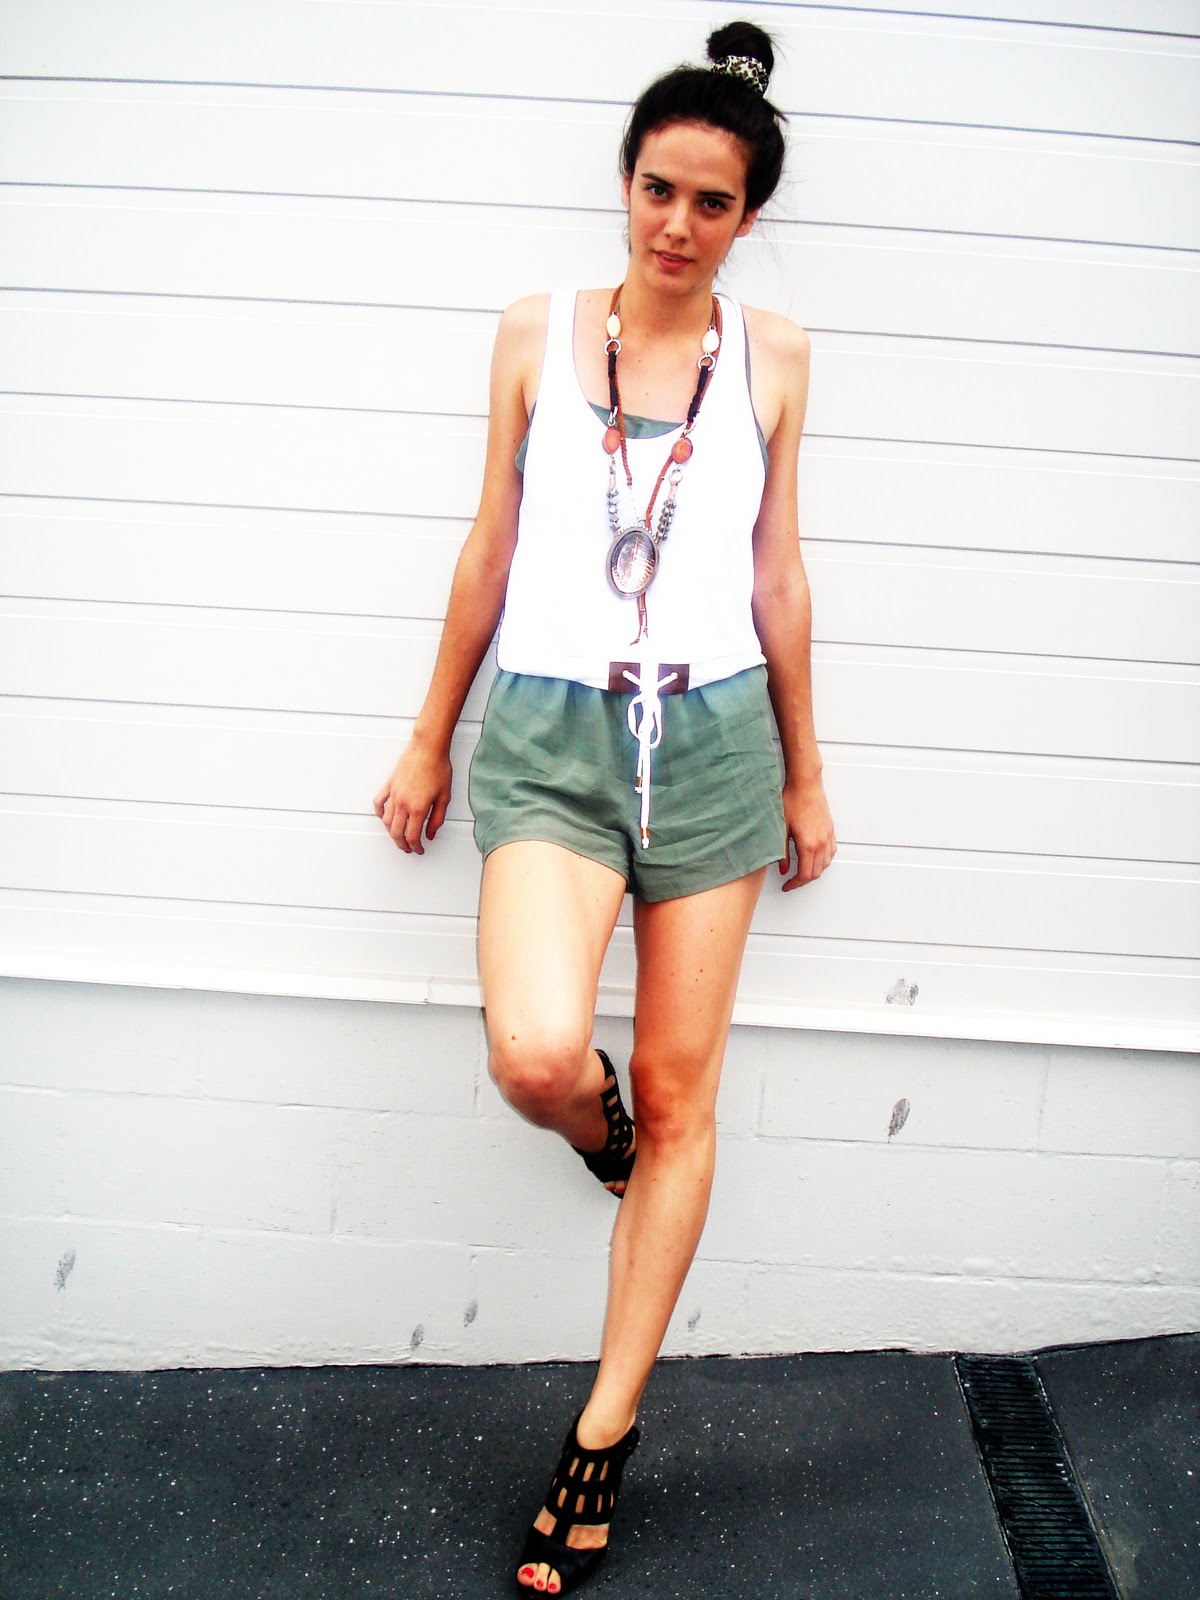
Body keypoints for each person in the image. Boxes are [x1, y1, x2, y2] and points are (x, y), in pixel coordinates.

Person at [373, 19, 836, 1595]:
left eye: (713, 202)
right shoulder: (534, 331)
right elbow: (488, 548)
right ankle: (599, 1131)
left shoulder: (777, 358)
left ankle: (606, 1426)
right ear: (625, 182)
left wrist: (805, 769)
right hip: (552, 735)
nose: (677, 224)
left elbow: (778, 575)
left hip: (712, 738)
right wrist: (430, 737)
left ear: (748, 216)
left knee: (689, 1091)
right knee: (535, 1054)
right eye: (658, 189)